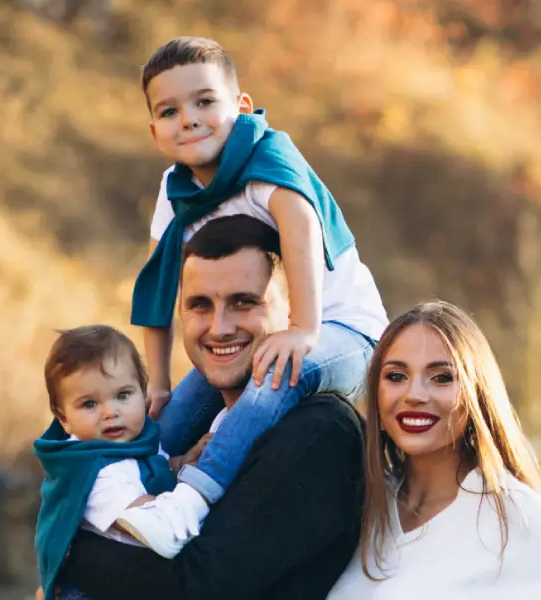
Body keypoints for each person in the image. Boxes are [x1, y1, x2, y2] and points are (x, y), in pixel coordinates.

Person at [127, 36, 388, 557]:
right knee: (169, 419)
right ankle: (122, 511)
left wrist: (305, 329)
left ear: (240, 108)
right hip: (257, 334)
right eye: (171, 110)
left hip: (342, 330)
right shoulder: (175, 188)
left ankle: (190, 504)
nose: (190, 119)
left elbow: (301, 225)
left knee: (275, 375)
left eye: (205, 102)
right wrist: (156, 383)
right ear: (155, 130)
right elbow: (159, 281)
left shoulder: (268, 156)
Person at [57, 215, 366, 600]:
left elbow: (196, 587)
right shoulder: (208, 425)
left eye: (244, 302)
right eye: (200, 305)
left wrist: (66, 551)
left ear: (293, 313)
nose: (219, 328)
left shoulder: (318, 432)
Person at [327, 301, 541, 599]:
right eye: (396, 376)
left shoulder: (523, 519)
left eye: (442, 377)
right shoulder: (359, 508)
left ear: (477, 393)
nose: (414, 394)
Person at [32, 325, 177, 600]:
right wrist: (200, 486)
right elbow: (151, 515)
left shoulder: (135, 441)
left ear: (143, 392)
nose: (111, 412)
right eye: (89, 404)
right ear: (63, 418)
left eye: (123, 395)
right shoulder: (95, 472)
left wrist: (181, 462)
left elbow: (149, 470)